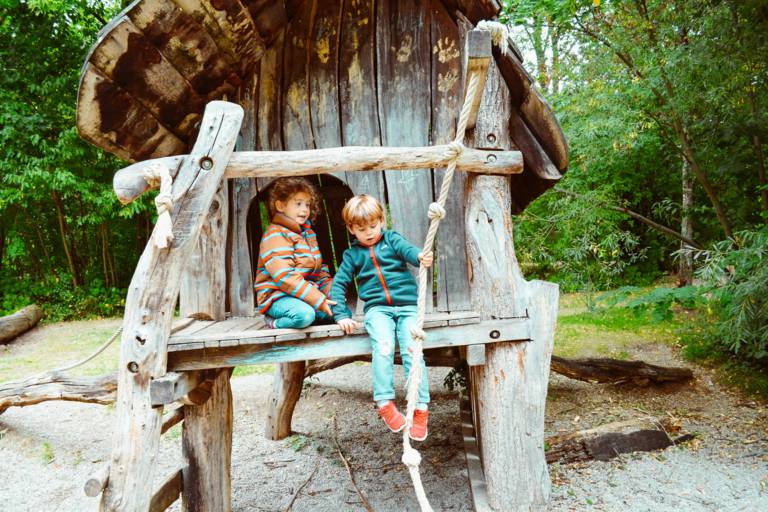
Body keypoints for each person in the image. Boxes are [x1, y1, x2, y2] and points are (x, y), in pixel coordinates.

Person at [330, 194, 433, 441]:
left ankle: (421, 409)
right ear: (351, 229)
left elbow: (409, 251)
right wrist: (341, 315)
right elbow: (338, 286)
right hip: (377, 310)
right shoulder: (352, 256)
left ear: (381, 221)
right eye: (361, 229)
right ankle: (384, 402)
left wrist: (420, 256)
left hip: (408, 306)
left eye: (373, 226)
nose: (369, 233)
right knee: (384, 347)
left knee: (412, 349)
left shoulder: (391, 240)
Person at [255, 177, 335, 329]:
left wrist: (331, 289)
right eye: (298, 204)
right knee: (304, 316)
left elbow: (318, 269)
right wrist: (318, 299)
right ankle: (273, 321)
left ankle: (313, 312)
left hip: (302, 294)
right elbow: (284, 277)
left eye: (307, 205)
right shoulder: (275, 235)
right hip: (277, 296)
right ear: (280, 205)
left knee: (338, 311)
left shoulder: (307, 233)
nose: (304, 209)